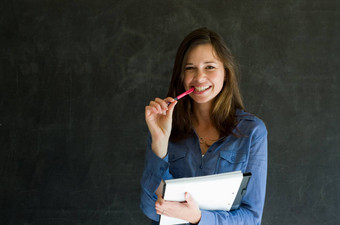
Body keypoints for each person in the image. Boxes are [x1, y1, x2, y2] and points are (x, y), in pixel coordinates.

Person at [140, 27, 267, 225]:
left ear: (226, 72)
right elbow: (151, 208)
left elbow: (251, 218)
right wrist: (159, 141)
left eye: (210, 67)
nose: (199, 78)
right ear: (181, 77)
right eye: (190, 68)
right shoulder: (164, 125)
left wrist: (197, 217)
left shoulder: (253, 132)